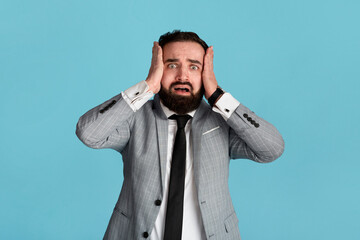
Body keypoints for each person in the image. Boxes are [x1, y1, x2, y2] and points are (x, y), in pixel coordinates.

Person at [76, 30, 284, 240]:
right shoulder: (134, 119)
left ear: (206, 74)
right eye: (171, 65)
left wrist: (218, 97)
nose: (182, 76)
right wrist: (147, 87)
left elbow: (272, 148)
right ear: (158, 69)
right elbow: (89, 133)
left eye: (194, 66)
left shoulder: (223, 122)